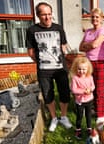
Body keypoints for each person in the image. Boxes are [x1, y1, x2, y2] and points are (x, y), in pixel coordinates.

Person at [26, 2, 72, 132]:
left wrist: (63, 56)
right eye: (44, 15)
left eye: (49, 14)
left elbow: (63, 45)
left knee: (64, 93)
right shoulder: (31, 30)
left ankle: (63, 117)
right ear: (38, 16)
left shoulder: (59, 28)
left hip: (60, 68)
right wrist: (42, 61)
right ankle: (54, 118)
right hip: (44, 70)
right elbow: (30, 52)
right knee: (48, 94)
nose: (47, 17)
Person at [79, 8, 104, 124]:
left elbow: (96, 44)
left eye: (97, 17)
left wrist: (89, 45)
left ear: (101, 19)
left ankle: (100, 115)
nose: (94, 19)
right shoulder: (87, 31)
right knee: (88, 87)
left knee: (99, 89)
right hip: (88, 63)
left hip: (100, 62)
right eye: (93, 17)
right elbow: (80, 47)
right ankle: (90, 109)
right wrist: (89, 45)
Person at [70, 56, 95, 139]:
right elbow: (74, 89)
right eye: (79, 69)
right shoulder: (75, 78)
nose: (82, 71)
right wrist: (83, 91)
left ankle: (89, 129)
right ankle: (78, 129)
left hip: (89, 99)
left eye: (84, 69)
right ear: (75, 68)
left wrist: (90, 89)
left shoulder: (90, 77)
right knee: (79, 116)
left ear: (88, 69)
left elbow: (93, 86)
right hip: (80, 101)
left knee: (88, 115)